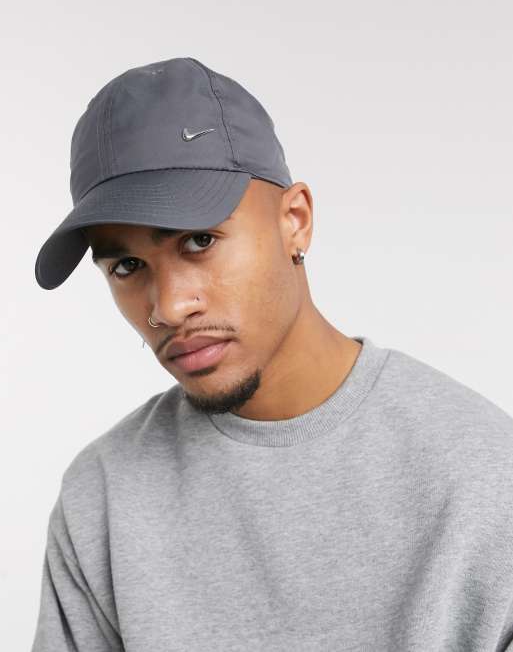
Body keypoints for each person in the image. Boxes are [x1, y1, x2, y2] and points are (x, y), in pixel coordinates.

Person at [31, 57, 513, 652]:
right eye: (127, 266)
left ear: (296, 221)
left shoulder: (484, 480)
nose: (169, 307)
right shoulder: (102, 498)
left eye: (199, 240)